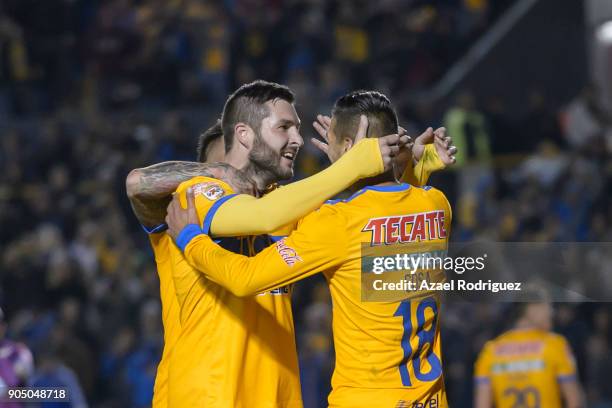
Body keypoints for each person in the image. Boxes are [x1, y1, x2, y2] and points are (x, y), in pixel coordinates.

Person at [126, 80, 414, 407]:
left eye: (297, 128)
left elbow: (360, 226)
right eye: (284, 127)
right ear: (244, 137)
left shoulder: (284, 205)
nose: (298, 140)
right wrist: (351, 166)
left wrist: (400, 173)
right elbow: (137, 182)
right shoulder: (195, 196)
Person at [474, 299, 583, 408]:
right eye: (547, 306)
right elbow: (574, 401)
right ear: (531, 309)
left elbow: (482, 405)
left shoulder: (490, 350)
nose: (551, 312)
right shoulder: (555, 345)